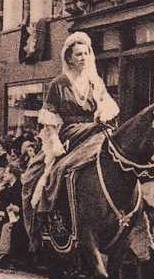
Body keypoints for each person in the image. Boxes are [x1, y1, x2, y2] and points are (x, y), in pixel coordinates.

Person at [22, 32, 120, 241]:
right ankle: (48, 217)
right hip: (69, 133)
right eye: (78, 54)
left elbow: (108, 105)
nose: (83, 58)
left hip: (96, 130)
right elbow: (49, 121)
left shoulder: (96, 82)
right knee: (35, 174)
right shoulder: (58, 83)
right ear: (69, 58)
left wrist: (103, 112)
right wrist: (54, 145)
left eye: (85, 53)